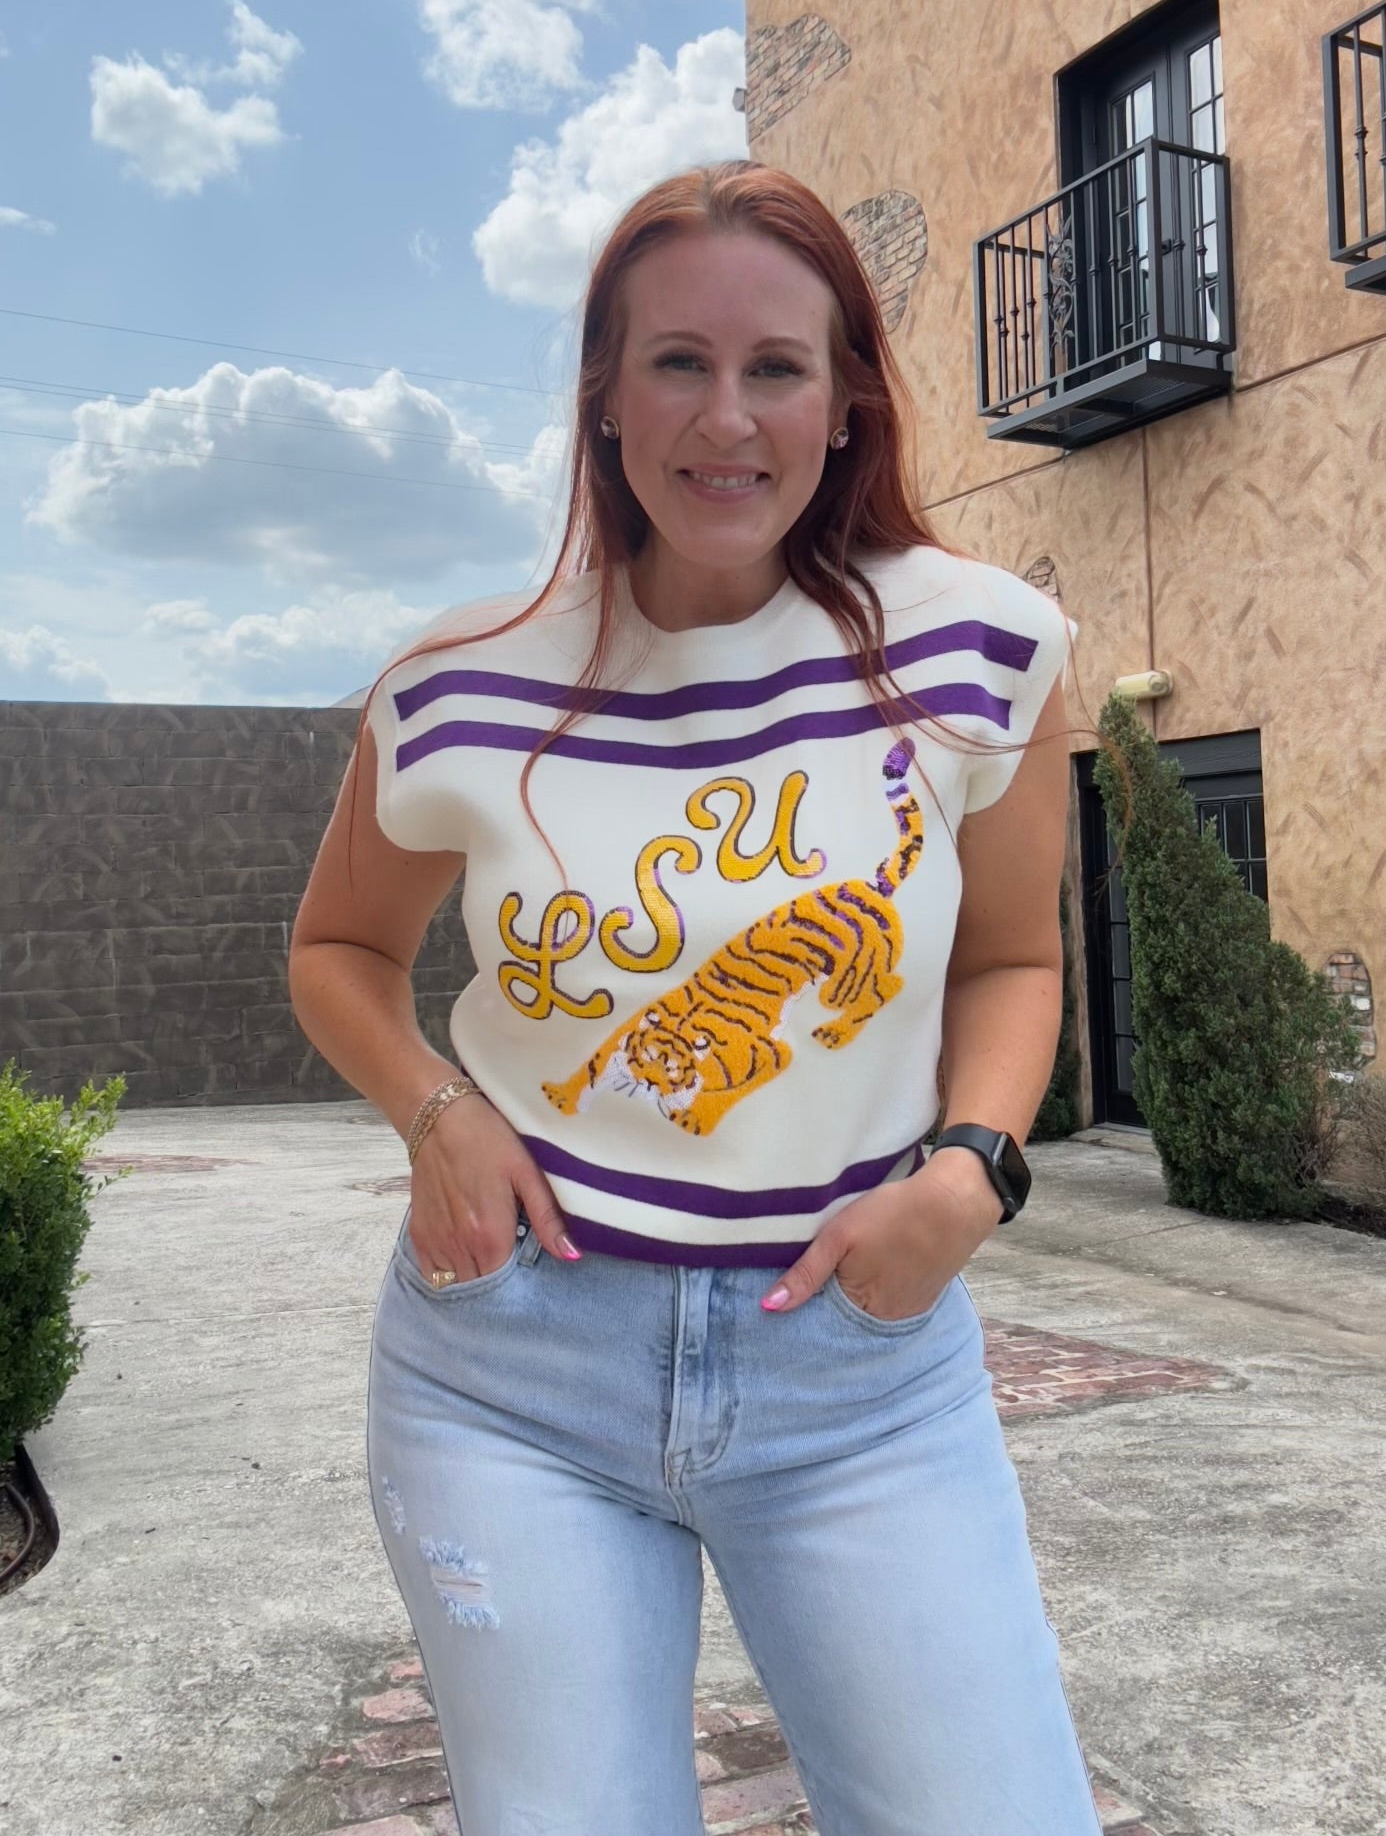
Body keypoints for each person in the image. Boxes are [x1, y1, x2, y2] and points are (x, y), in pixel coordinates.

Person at [289, 159, 1110, 1836]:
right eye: (678, 361)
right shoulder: (457, 688)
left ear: (847, 396)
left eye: (776, 367)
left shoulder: (980, 651)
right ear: (604, 393)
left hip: (859, 1373)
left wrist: (971, 1173)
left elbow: (1013, 960)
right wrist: (437, 1114)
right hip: (511, 1373)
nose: (725, 419)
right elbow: (337, 953)